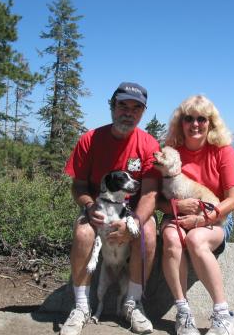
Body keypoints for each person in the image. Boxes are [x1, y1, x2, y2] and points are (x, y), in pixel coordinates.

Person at [60, 82, 159, 335]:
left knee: (146, 232)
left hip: (133, 213)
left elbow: (149, 193)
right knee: (83, 233)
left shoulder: (148, 145)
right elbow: (79, 185)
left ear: (142, 112)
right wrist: (89, 205)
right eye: (122, 105)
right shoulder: (90, 140)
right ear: (112, 107)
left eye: (136, 108)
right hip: (100, 211)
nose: (128, 112)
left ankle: (133, 304)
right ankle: (81, 307)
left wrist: (132, 223)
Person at [159, 95, 234, 335]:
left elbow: (233, 200)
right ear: (181, 122)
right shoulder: (171, 152)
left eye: (201, 119)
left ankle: (223, 314)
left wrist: (203, 219)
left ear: (211, 122)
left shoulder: (223, 152)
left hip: (217, 216)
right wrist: (178, 209)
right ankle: (183, 313)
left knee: (196, 239)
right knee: (172, 239)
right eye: (189, 119)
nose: (195, 124)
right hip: (176, 214)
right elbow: (158, 200)